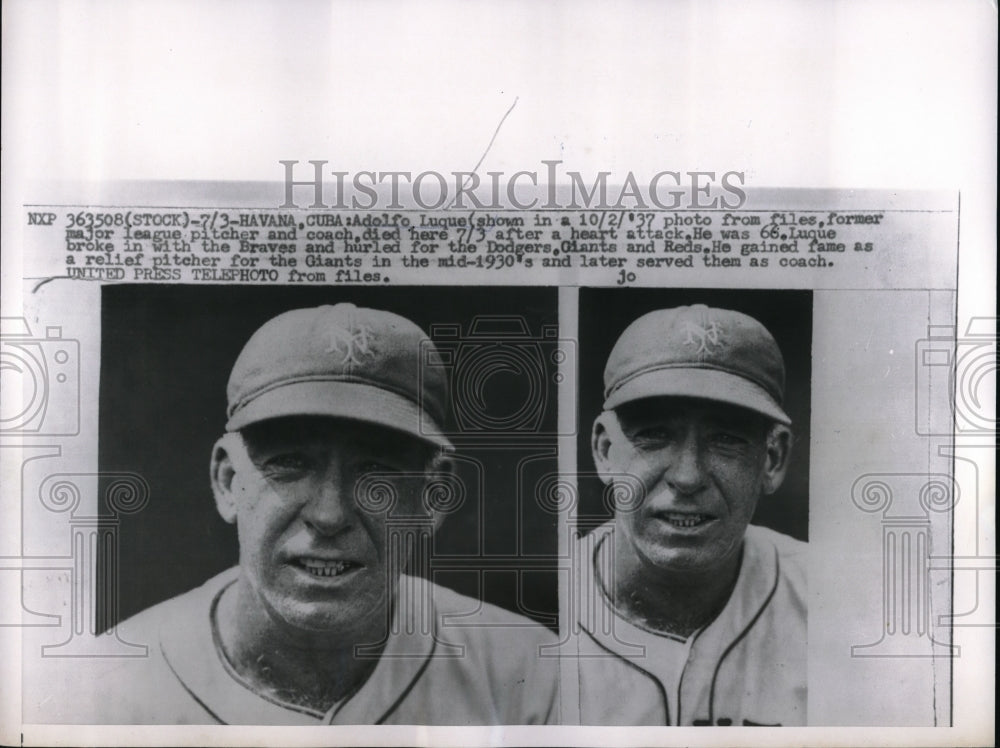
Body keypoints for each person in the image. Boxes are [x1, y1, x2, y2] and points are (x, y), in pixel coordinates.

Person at [49, 303, 559, 725]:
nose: (330, 513)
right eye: (290, 464)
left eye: (376, 470)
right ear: (228, 481)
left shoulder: (532, 678)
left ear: (434, 495)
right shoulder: (101, 690)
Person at [569, 304, 807, 726]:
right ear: (605, 451)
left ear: (772, 457)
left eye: (726, 439)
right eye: (655, 436)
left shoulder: (834, 604)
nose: (687, 476)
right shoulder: (531, 620)